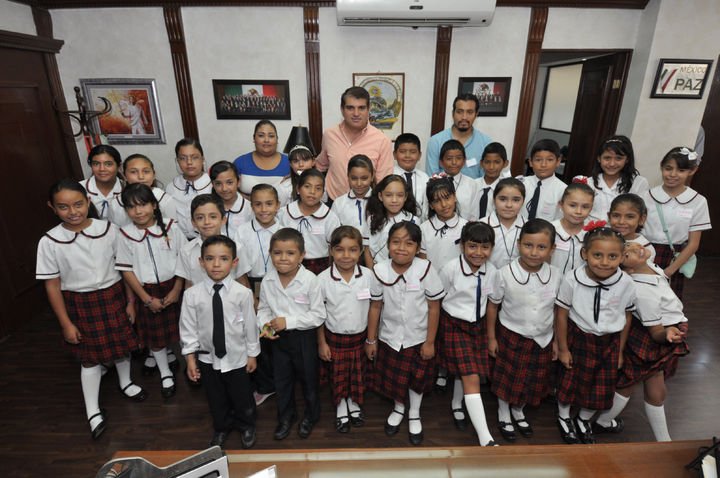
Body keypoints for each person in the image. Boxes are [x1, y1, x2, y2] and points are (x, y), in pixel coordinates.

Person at [37, 179, 145, 440]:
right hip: (80, 303)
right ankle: (92, 409)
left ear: (88, 201)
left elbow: (124, 268)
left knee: (122, 347)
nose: (73, 211)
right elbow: (52, 286)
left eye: (78, 204)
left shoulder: (108, 229)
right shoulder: (49, 241)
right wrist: (66, 323)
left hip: (113, 295)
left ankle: (126, 382)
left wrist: (131, 302)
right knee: (90, 358)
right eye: (63, 207)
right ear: (52, 207)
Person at [593, 243, 688, 442]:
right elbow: (655, 333)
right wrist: (668, 333)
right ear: (628, 270)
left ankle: (662, 441)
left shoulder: (650, 266)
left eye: (629, 245)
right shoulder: (643, 292)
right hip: (653, 337)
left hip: (665, 329)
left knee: (654, 389)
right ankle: (602, 422)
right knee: (630, 384)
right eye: (628, 254)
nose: (635, 249)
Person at [555, 225, 636, 445]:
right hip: (579, 338)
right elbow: (561, 314)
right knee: (569, 382)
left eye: (612, 256)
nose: (604, 262)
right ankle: (564, 417)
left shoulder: (627, 283)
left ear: (623, 257)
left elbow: (627, 316)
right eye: (597, 255)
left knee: (599, 386)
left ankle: (583, 419)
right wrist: (563, 348)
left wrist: (620, 351)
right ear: (585, 253)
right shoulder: (572, 279)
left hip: (610, 342)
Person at [366, 221, 445, 445]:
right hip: (390, 337)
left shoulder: (426, 269)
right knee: (395, 378)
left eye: (409, 243)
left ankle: (414, 412)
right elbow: (375, 306)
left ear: (418, 248)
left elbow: (434, 307)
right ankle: (399, 408)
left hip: (418, 337)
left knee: (417, 379)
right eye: (396, 242)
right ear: (388, 244)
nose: (401, 248)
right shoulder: (379, 270)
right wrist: (371, 340)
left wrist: (430, 342)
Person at [180, 235, 259, 449]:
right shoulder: (191, 295)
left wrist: (252, 354)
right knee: (215, 396)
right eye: (210, 258)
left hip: (237, 356)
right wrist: (190, 359)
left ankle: (247, 425)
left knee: (242, 395)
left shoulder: (243, 293)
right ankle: (221, 427)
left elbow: (250, 326)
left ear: (234, 262)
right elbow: (188, 329)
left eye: (223, 259)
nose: (216, 264)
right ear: (201, 262)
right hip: (208, 358)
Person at [488, 219, 561, 443]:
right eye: (528, 245)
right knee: (507, 379)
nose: (534, 252)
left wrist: (556, 341)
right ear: (519, 244)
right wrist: (491, 338)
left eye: (541, 247)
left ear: (552, 249)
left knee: (531, 379)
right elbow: (493, 306)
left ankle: (518, 410)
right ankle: (503, 412)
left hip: (542, 338)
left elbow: (556, 310)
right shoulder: (504, 273)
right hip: (512, 334)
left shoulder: (556, 275)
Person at [116, 183, 187, 399]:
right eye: (131, 207)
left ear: (154, 205)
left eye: (143, 205)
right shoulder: (125, 234)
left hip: (173, 285)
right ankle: (165, 373)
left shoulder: (172, 228)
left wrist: (177, 289)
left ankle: (190, 365)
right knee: (155, 338)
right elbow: (126, 271)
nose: (138, 211)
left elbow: (184, 259)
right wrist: (146, 299)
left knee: (183, 331)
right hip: (145, 290)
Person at [258, 228, 326, 440]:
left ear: (302, 255)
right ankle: (286, 416)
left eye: (290, 253)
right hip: (278, 339)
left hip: (304, 338)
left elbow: (318, 315)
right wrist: (265, 327)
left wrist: (288, 322)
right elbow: (263, 309)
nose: (283, 258)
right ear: (270, 254)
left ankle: (312, 415)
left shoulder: (310, 280)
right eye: (277, 253)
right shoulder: (268, 280)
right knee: (282, 380)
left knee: (309, 379)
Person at [438, 222, 498, 447]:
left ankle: (457, 403)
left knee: (465, 371)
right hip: (454, 324)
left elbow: (491, 304)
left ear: (492, 248)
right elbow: (437, 299)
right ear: (462, 246)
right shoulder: (450, 269)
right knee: (471, 374)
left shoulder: (493, 272)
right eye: (472, 246)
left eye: (485, 247)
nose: (478, 252)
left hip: (478, 326)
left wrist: (491, 337)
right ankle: (486, 438)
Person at [317, 226, 373, 433]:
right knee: (338, 375)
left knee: (357, 374)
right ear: (331, 251)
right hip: (334, 338)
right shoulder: (322, 279)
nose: (346, 255)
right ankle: (341, 404)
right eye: (340, 250)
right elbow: (318, 315)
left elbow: (374, 309)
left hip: (360, 337)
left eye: (353, 250)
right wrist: (322, 343)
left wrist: (372, 340)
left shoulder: (368, 276)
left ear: (361, 252)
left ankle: (354, 403)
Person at [232, 184, 281, 406]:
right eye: (258, 204)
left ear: (278, 205)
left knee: (277, 334)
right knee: (259, 334)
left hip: (279, 284)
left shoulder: (284, 229)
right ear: (251, 206)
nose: (264, 209)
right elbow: (239, 268)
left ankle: (281, 379)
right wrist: (251, 295)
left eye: (269, 204)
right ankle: (265, 384)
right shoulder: (242, 231)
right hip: (252, 285)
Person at [641, 147, 711, 299]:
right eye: (668, 168)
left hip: (674, 258)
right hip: (644, 253)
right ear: (661, 166)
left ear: (692, 171)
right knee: (640, 300)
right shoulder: (646, 196)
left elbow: (693, 243)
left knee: (668, 304)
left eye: (681, 170)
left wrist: (670, 270)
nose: (673, 174)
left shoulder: (698, 201)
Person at [316, 86, 394, 200]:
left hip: (366, 204)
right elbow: (320, 166)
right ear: (342, 109)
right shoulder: (329, 135)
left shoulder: (382, 141)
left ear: (369, 110)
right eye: (350, 108)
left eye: (361, 108)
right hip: (333, 202)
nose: (356, 113)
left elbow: (384, 182)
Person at [175, 194, 250, 289]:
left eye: (213, 217)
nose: (207, 222)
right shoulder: (186, 251)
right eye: (200, 217)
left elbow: (242, 280)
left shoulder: (237, 248)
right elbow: (188, 284)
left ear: (223, 220)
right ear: (193, 222)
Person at [278, 169, 341, 275]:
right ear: (298, 189)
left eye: (318, 188)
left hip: (321, 268)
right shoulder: (284, 214)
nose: (312, 191)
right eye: (307, 186)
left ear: (323, 192)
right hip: (289, 265)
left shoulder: (330, 217)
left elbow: (334, 247)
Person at [426, 94, 492, 179]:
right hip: (443, 187)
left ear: (476, 114)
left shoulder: (486, 143)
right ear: (453, 113)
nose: (464, 117)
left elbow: (485, 179)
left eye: (470, 112)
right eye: (459, 112)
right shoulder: (436, 141)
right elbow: (433, 177)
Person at [586, 136, 649, 222]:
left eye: (618, 158)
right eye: (607, 158)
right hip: (589, 229)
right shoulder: (588, 183)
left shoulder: (638, 183)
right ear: (599, 158)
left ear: (627, 159)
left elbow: (639, 214)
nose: (612, 164)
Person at [108, 154, 176, 228]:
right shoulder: (115, 203)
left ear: (154, 175)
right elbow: (114, 231)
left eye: (146, 171)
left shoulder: (165, 199)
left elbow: (172, 229)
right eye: (133, 172)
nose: (141, 177)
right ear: (124, 176)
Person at [364, 174, 418, 267]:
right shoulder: (372, 219)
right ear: (380, 196)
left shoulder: (413, 220)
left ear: (405, 197)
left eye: (399, 195)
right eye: (388, 195)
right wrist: (372, 272)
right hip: (376, 270)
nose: (394, 200)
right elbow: (367, 250)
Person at [166, 138, 212, 239]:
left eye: (194, 157)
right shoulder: (171, 187)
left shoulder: (213, 185)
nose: (189, 162)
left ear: (202, 159)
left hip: (209, 239)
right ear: (177, 161)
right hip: (181, 240)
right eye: (183, 158)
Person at [233, 120, 291, 196]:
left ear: (277, 139)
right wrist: (247, 200)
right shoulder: (240, 162)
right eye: (261, 136)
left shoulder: (290, 163)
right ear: (254, 138)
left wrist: (297, 177)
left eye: (271, 136)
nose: (266, 140)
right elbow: (229, 190)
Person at [419, 176, 468, 267]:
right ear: (431, 205)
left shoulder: (466, 226)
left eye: (447, 198)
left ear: (455, 197)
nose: (444, 205)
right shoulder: (424, 229)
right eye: (437, 201)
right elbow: (422, 263)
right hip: (431, 275)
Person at [480, 178, 527, 269]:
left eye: (516, 200)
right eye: (503, 199)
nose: (509, 205)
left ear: (523, 201)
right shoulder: (481, 225)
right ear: (494, 199)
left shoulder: (529, 228)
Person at [551, 181, 595, 275]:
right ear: (561, 205)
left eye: (585, 207)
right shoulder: (549, 230)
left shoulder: (593, 234)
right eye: (572, 205)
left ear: (591, 209)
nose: (578, 211)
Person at [521, 139, 567, 222]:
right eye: (538, 160)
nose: (543, 164)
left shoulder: (563, 190)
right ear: (531, 162)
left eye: (550, 160)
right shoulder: (521, 184)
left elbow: (561, 220)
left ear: (558, 162)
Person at [331, 154, 374, 237]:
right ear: (348, 177)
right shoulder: (339, 203)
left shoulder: (380, 201)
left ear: (372, 177)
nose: (359, 183)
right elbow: (333, 232)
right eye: (354, 178)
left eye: (364, 178)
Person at [438, 140, 480, 220]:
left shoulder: (472, 184)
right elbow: (426, 213)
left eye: (458, 158)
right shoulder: (432, 182)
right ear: (441, 162)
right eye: (449, 159)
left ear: (464, 161)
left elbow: (474, 215)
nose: (454, 162)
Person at [608, 193, 656, 264]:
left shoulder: (645, 248)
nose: (621, 222)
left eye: (630, 217)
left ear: (642, 219)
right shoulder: (600, 239)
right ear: (609, 216)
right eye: (616, 215)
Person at [209, 161, 253, 237]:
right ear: (212, 184)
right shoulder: (208, 208)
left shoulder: (250, 208)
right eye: (218, 184)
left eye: (229, 183)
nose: (224, 189)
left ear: (238, 181)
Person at [393, 133, 430, 221]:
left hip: (419, 224)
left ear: (419, 155)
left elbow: (426, 207)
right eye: (402, 152)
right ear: (394, 154)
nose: (407, 155)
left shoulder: (424, 178)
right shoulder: (389, 176)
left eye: (413, 152)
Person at [82, 145, 123, 220]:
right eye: (96, 164)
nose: (102, 169)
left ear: (119, 166)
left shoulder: (127, 188)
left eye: (108, 164)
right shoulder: (79, 189)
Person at [475, 142, 510, 220]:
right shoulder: (472, 185)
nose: (491, 167)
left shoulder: (507, 189)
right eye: (487, 162)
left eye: (497, 162)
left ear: (505, 163)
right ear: (481, 163)